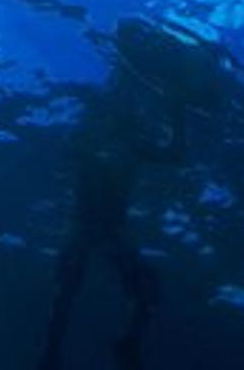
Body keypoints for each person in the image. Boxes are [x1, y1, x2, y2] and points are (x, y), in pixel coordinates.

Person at [38, 21, 214, 370]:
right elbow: (69, 148)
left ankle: (125, 345)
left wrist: (177, 111)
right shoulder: (99, 131)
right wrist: (99, 153)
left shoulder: (131, 140)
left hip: (111, 227)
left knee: (142, 289)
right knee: (66, 293)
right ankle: (51, 357)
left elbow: (175, 155)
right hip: (85, 222)